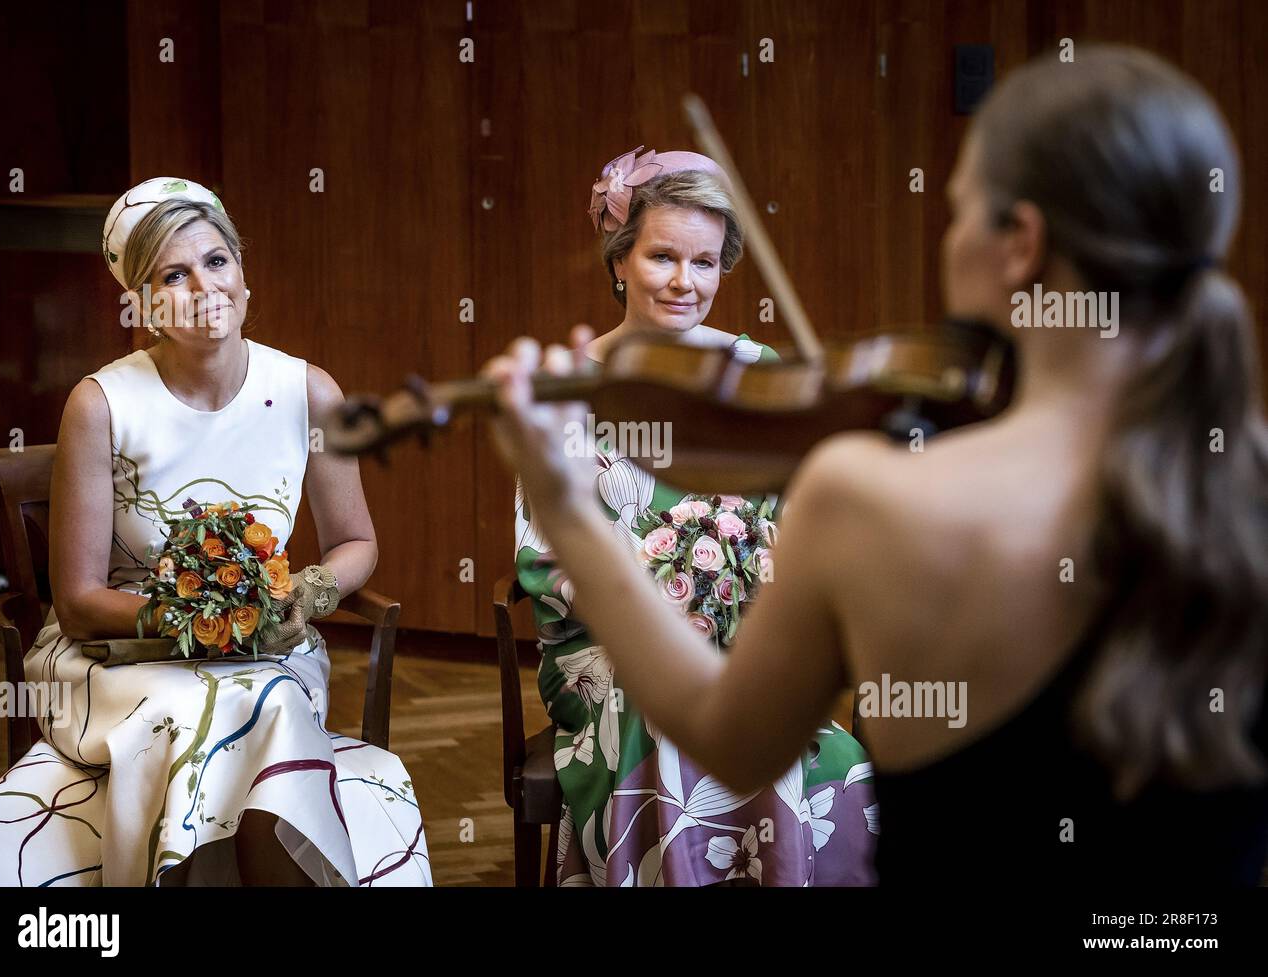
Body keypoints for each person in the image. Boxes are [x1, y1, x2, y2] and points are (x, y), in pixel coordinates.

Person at [487, 48, 1268, 884]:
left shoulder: (870, 499)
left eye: (961, 207)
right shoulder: (1242, 481)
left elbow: (733, 735)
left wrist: (568, 505)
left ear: (1021, 243)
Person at [0, 178, 432, 886]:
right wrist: (202, 622)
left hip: (269, 654)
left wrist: (307, 590)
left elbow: (356, 541)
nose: (204, 287)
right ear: (144, 302)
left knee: (265, 695)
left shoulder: (310, 392)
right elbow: (80, 600)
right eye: (173, 274)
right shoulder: (100, 403)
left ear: (245, 276)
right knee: (200, 704)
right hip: (115, 662)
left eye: (217, 262)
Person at [514, 147, 878, 886]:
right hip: (606, 657)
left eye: (705, 263)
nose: (686, 281)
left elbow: (799, 535)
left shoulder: (758, 374)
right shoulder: (567, 386)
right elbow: (543, 562)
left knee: (841, 762)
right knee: (665, 710)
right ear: (619, 261)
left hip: (747, 648)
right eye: (663, 258)